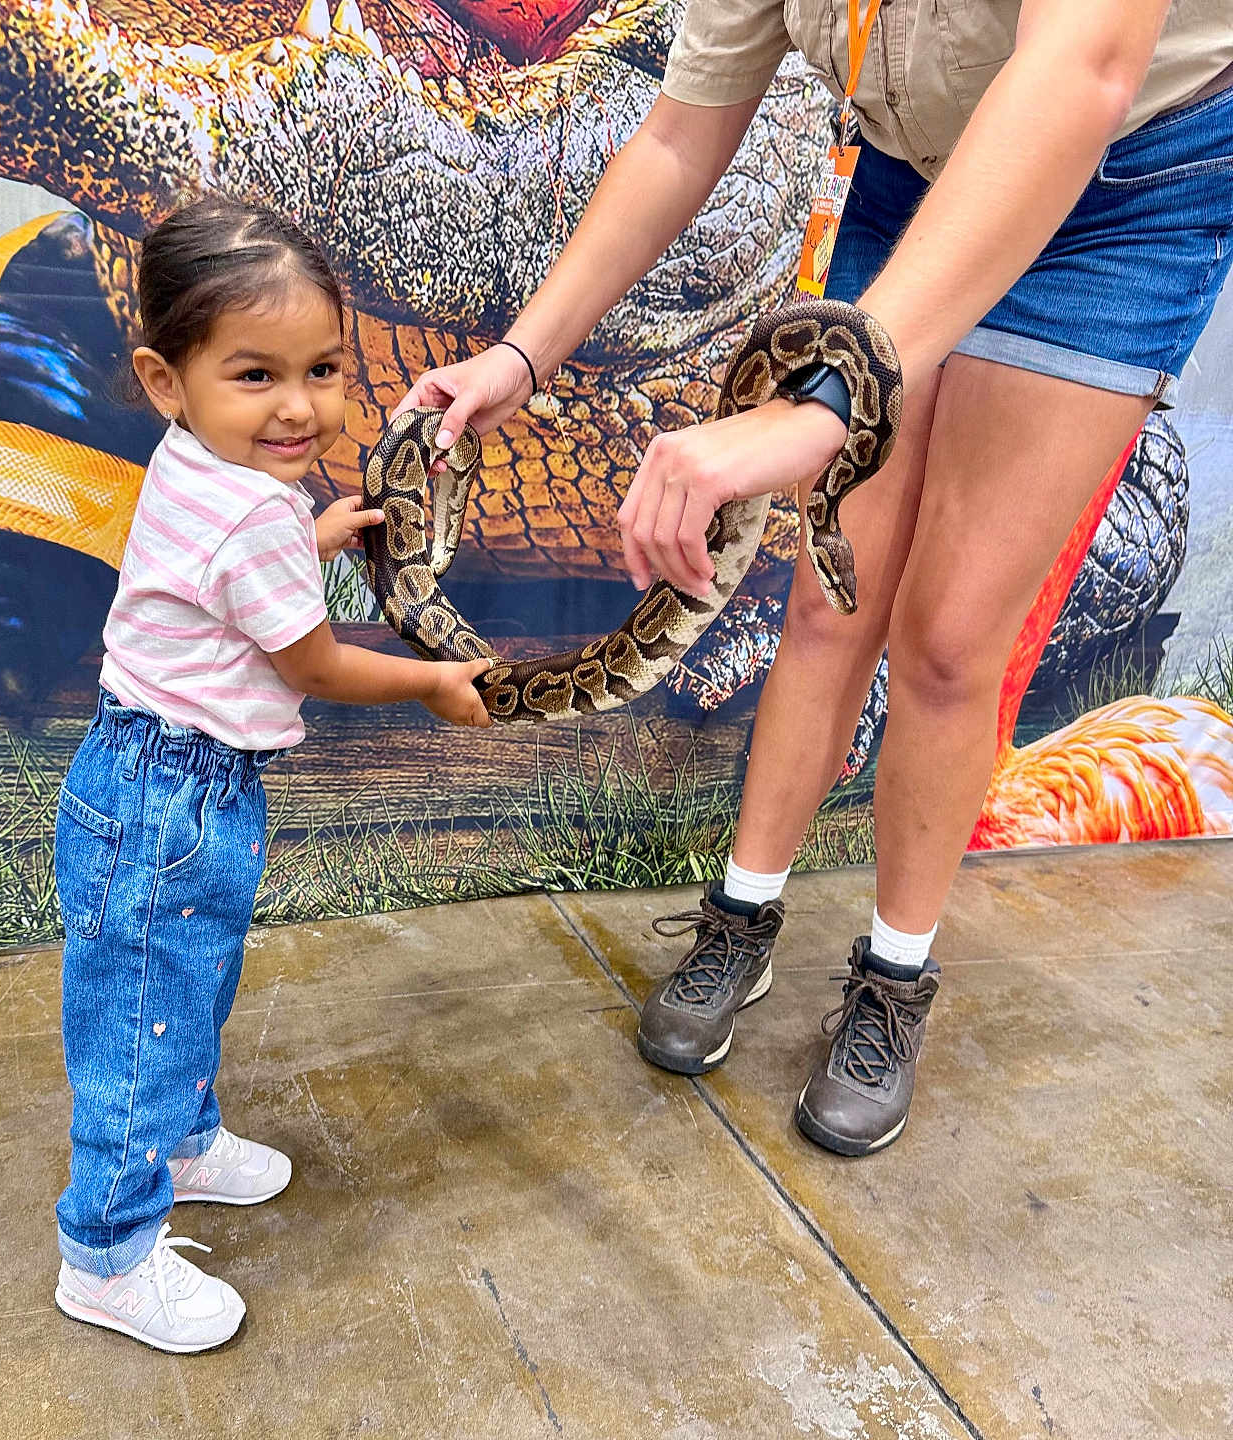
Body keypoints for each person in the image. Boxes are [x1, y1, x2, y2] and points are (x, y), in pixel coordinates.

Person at [397, 1, 1233, 1155]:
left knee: (946, 640)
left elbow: (1082, 69)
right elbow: (680, 134)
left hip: (1130, 187)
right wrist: (521, 353)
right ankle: (742, 914)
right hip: (918, 163)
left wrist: (821, 408)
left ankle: (896, 975)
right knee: (833, 599)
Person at [52, 195, 491, 1354]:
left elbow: (228, 565)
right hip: (169, 800)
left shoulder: (204, 469)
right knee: (141, 1019)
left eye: (324, 368)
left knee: (181, 992)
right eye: (256, 375)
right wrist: (436, 684)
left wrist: (317, 535)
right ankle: (103, 1255)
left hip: (164, 781)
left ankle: (184, 1148)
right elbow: (319, 663)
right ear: (165, 378)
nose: (301, 406)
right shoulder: (250, 511)